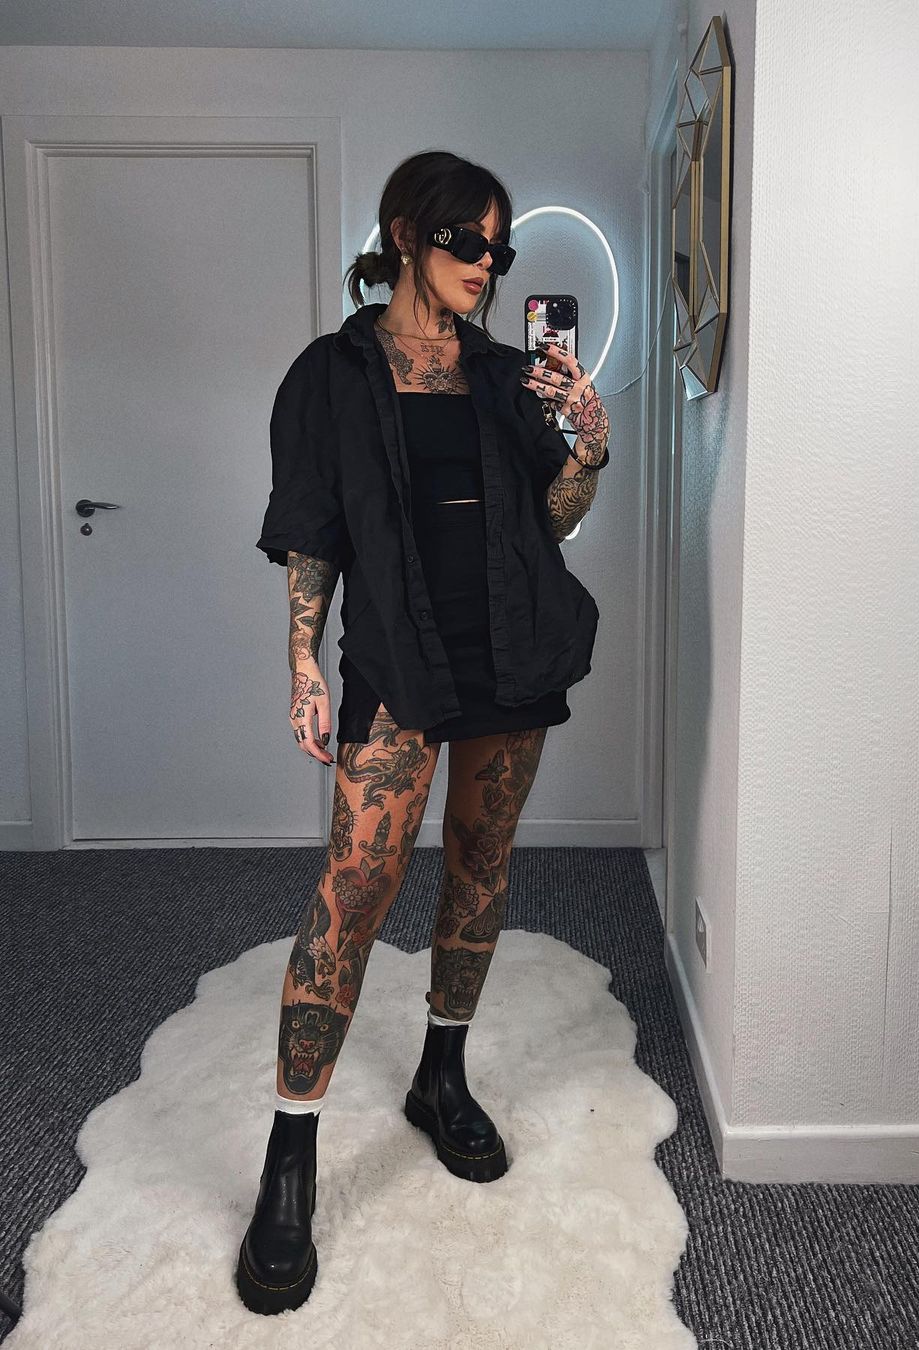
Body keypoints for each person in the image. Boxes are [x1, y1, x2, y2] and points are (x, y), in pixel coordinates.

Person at [235, 150, 612, 1315]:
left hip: (512, 653)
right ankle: (290, 1156)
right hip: (402, 662)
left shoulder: (505, 377)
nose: (487, 265)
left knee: (481, 867)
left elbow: (554, 519)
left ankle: (440, 1078)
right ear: (406, 235)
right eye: (467, 242)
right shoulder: (331, 376)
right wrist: (303, 661)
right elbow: (312, 531)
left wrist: (586, 446)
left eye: (500, 249)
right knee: (355, 887)